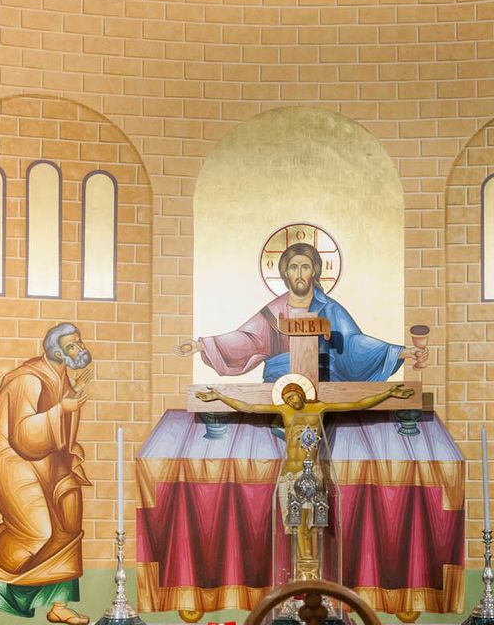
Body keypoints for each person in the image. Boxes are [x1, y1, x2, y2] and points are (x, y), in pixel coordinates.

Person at [195, 376, 413, 578]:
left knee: (309, 522)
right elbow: (249, 408)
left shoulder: (319, 407)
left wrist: (389, 393)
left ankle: (312, 566)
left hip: (309, 471)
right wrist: (220, 396)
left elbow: (357, 404)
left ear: (301, 393)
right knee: (296, 522)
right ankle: (303, 567)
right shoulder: (284, 411)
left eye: (294, 396)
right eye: (287, 398)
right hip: (288, 474)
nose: (291, 401)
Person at [0, 324, 96, 625]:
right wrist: (63, 408)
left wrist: (69, 403)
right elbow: (24, 434)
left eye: (78, 342)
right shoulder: (28, 379)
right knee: (36, 530)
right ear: (55, 349)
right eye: (71, 344)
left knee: (68, 517)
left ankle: (58, 603)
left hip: (48, 457)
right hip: (11, 459)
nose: (78, 348)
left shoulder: (61, 374)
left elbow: (61, 427)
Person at [178, 241, 425, 382]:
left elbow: (353, 343)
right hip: (281, 384)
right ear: (285, 273)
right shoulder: (274, 312)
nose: (299, 273)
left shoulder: (329, 309)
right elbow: (248, 339)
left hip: (325, 382)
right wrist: (202, 345)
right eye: (293, 267)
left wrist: (402, 352)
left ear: (314, 271)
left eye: (305, 267)